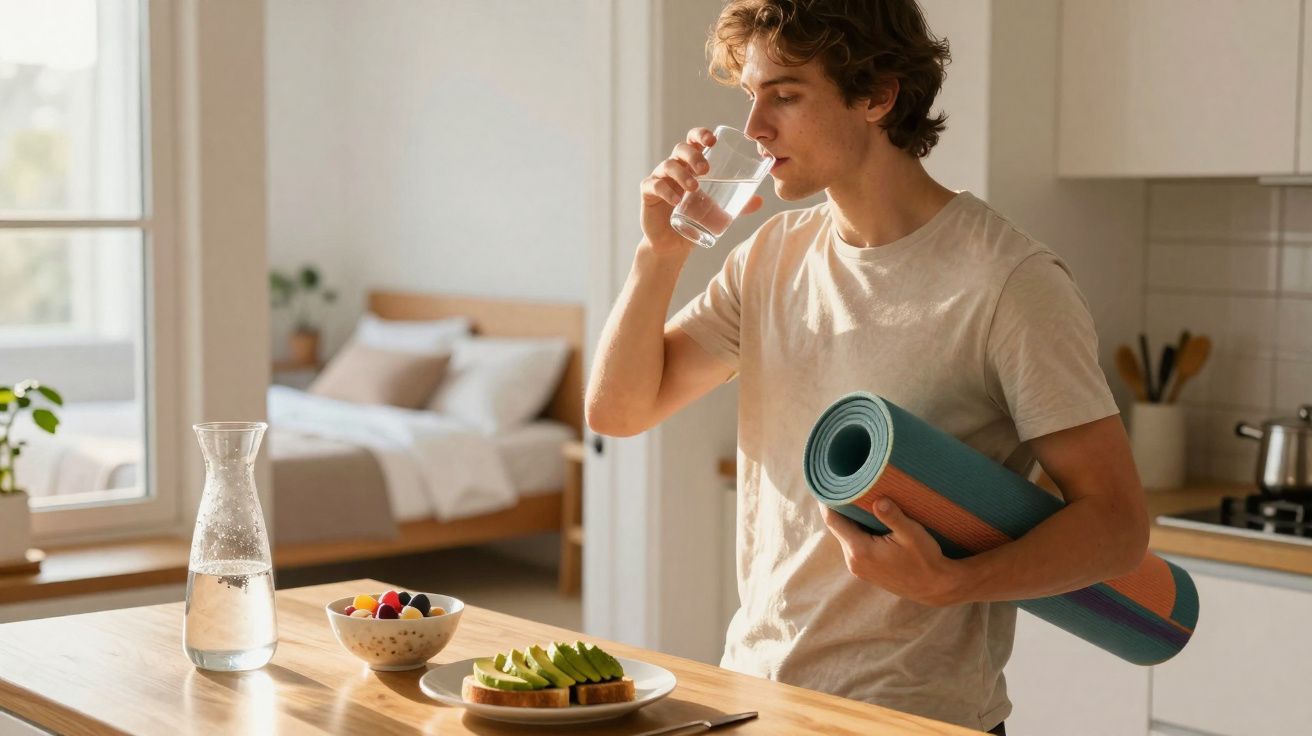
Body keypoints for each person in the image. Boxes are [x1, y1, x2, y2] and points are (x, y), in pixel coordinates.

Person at [584, 1, 1150, 733]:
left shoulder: (1010, 282)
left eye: (784, 95)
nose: (755, 128)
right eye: (749, 98)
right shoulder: (770, 257)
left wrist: (959, 583)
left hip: (913, 718)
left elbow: (1116, 526)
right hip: (755, 695)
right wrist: (657, 255)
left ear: (878, 95)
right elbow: (619, 411)